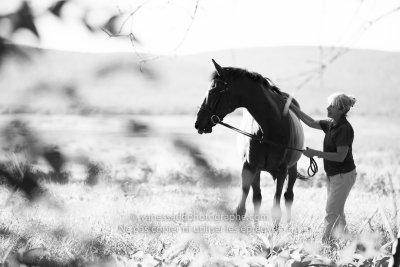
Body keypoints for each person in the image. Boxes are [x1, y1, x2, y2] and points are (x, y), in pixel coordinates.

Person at [288, 92, 357, 243]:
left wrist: (316, 153)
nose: (328, 107)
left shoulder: (344, 129)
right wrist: (291, 106)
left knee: (331, 211)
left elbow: (341, 156)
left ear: (341, 109)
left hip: (343, 175)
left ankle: (326, 245)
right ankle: (346, 242)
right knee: (337, 211)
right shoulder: (331, 123)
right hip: (334, 175)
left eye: (332, 106)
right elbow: (311, 122)